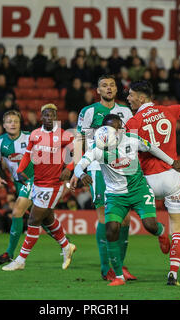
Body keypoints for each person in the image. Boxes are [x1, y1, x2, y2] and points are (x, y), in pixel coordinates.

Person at [72, 114, 180, 286]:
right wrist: (82, 174)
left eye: (118, 127)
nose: (117, 131)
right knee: (111, 230)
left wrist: (171, 161)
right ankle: (119, 276)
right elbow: (79, 165)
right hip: (116, 196)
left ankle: (161, 233)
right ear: (104, 129)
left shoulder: (131, 139)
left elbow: (152, 148)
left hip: (138, 190)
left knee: (150, 225)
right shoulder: (97, 145)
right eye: (113, 128)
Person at [125, 80, 180, 285]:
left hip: (148, 181)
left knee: (126, 207)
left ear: (142, 98)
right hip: (172, 177)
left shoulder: (133, 122)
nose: (128, 98)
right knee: (178, 226)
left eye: (131, 95)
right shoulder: (169, 110)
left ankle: (159, 234)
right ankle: (173, 273)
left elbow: (129, 153)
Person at [72, 74, 135, 282]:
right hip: (98, 168)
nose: (108, 88)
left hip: (121, 168)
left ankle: (121, 265)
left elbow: (130, 141)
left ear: (117, 90)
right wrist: (77, 169)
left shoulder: (125, 111)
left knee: (125, 219)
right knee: (105, 217)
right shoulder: (88, 112)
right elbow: (79, 140)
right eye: (104, 86)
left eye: (112, 85)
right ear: (97, 91)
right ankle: (105, 266)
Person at [2, 104, 76, 271]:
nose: (49, 118)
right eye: (46, 115)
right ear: (41, 117)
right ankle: (66, 246)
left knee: (33, 219)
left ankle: (20, 260)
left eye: (53, 115)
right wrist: (20, 170)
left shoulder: (64, 135)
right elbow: (28, 154)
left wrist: (69, 168)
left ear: (56, 117)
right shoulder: (35, 134)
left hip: (53, 184)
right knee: (47, 218)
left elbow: (78, 153)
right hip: (37, 183)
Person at [0, 110, 54, 264]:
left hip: (35, 179)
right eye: (9, 121)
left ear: (20, 124)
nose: (13, 123)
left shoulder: (30, 137)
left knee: (17, 212)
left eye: (16, 121)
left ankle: (9, 253)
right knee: (41, 217)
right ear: (4, 125)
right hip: (19, 183)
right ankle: (65, 243)